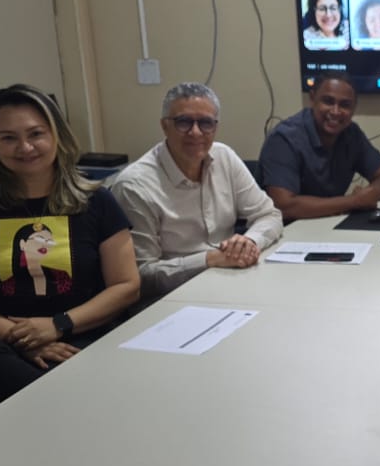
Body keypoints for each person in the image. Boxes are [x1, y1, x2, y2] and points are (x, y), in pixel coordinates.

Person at [0, 84, 140, 421]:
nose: (25, 147)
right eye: (9, 137)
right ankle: (64, 415)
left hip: (81, 335)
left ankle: (62, 415)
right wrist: (25, 338)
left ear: (57, 136)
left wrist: (58, 325)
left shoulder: (97, 202)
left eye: (35, 134)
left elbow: (126, 285)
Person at [110, 82, 283, 301]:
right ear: (165, 126)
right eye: (183, 122)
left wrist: (248, 243)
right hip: (171, 300)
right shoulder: (134, 186)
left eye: (205, 123)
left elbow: (269, 214)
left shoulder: (224, 157)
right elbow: (141, 277)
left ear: (215, 127)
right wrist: (209, 259)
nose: (195, 132)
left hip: (230, 281)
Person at [259, 71, 380, 221]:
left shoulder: (351, 133)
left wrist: (371, 193)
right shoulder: (284, 139)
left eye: (345, 105)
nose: (335, 111)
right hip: (284, 233)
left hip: (327, 225)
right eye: (328, 101)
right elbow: (284, 207)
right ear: (312, 99)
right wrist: (354, 201)